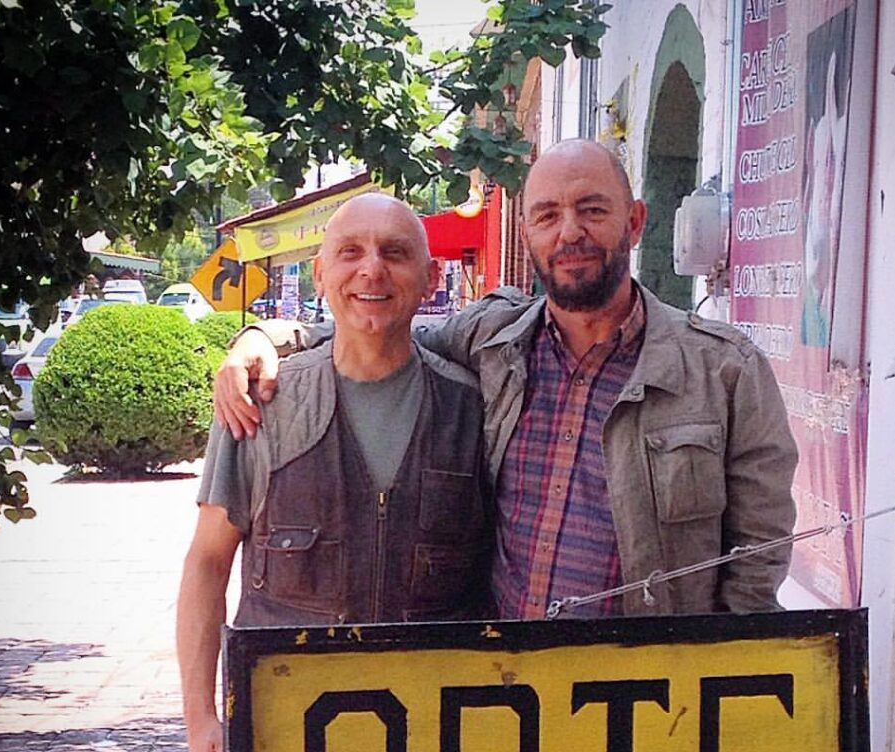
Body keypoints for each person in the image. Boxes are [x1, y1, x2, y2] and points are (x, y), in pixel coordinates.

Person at [215, 139, 797, 621]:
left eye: (593, 210)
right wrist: (267, 338)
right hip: (503, 689)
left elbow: (757, 561)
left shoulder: (725, 373)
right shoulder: (491, 342)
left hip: (646, 692)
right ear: (527, 234)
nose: (569, 232)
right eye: (547, 215)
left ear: (635, 222)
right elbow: (379, 330)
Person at [177, 193, 492, 752]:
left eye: (394, 253)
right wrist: (200, 720)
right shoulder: (260, 406)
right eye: (351, 252)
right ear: (320, 275)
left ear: (430, 279)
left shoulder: (473, 408)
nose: (372, 270)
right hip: (287, 744)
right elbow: (207, 563)